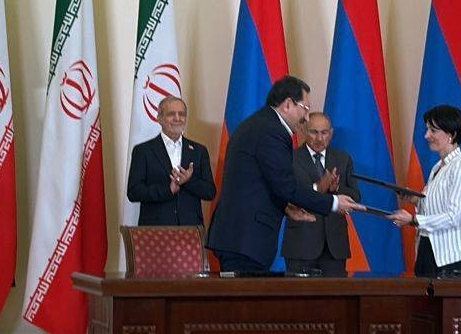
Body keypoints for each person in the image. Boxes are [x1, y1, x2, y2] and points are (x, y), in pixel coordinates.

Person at [207, 75, 363, 272]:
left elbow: (262, 183)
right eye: (305, 109)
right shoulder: (272, 131)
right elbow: (286, 185)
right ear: (288, 104)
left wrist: (286, 208)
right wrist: (333, 202)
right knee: (246, 293)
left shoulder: (259, 124)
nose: (306, 118)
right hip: (245, 239)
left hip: (239, 237)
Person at [387, 104, 461, 277]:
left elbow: (453, 216)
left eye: (433, 130)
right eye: (427, 130)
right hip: (431, 251)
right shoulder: (438, 166)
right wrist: (415, 199)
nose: (426, 135)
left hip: (456, 259)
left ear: (451, 134)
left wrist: (413, 220)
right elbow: (438, 205)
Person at [282, 111, 360, 276]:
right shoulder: (290, 158)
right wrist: (318, 187)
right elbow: (286, 195)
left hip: (334, 247)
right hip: (301, 244)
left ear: (331, 133)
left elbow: (355, 197)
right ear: (304, 131)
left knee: (335, 292)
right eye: (314, 132)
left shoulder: (342, 158)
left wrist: (335, 189)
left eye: (324, 133)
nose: (319, 138)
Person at [125, 96, 216, 225]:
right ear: (159, 119)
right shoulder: (143, 151)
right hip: (155, 229)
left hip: (190, 228)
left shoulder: (199, 151)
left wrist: (188, 181)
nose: (177, 118)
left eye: (182, 114)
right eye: (171, 114)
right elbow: (134, 192)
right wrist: (167, 190)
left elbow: (210, 192)